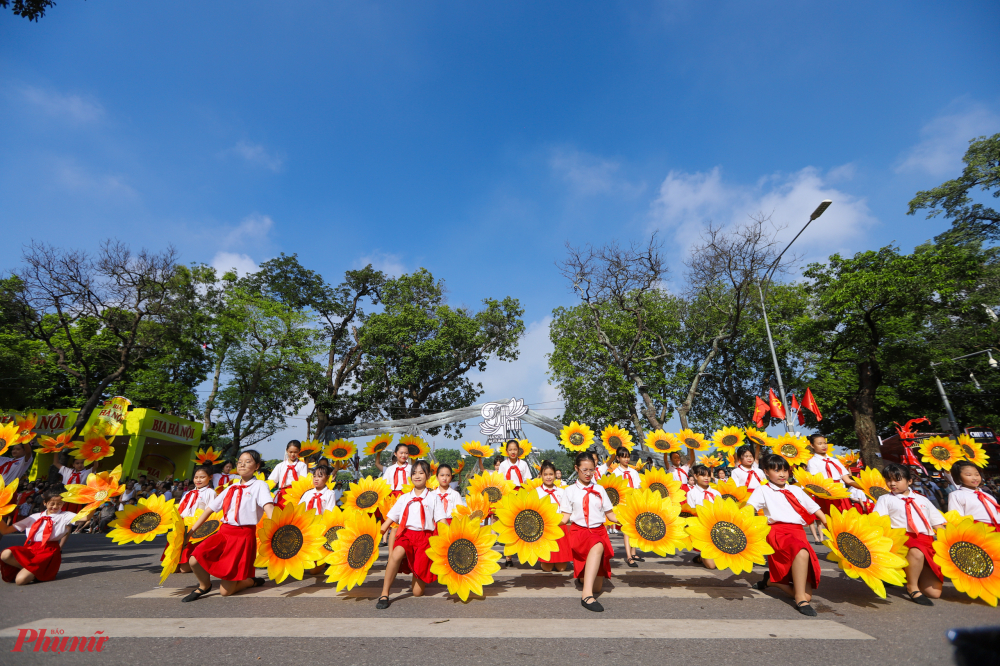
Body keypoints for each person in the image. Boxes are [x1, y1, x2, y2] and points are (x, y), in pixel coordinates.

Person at [182, 450, 274, 601]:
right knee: (194, 559)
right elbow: (209, 510)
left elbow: (268, 507)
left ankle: (250, 582)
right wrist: (191, 532)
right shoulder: (231, 488)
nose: (242, 464)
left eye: (248, 461)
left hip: (243, 536)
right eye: (240, 461)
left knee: (226, 592)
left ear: (257, 466)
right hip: (223, 533)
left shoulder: (259, 485)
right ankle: (204, 586)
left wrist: (277, 529)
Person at [750, 454, 828, 616]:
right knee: (802, 551)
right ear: (766, 472)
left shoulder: (795, 490)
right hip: (777, 532)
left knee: (808, 595)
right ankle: (799, 598)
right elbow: (750, 507)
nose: (782, 474)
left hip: (798, 533)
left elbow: (814, 508)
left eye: (785, 470)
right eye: (776, 470)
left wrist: (832, 526)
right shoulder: (763, 489)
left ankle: (773, 581)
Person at [376, 460, 447, 609]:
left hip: (425, 539)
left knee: (417, 592)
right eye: (414, 473)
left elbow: (442, 521)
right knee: (396, 554)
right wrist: (374, 535)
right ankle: (384, 593)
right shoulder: (404, 498)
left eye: (421, 473)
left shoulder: (434, 497)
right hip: (407, 535)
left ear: (428, 475)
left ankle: (416, 573)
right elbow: (389, 520)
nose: (417, 476)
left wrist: (453, 539)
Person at [873, 463, 946, 606]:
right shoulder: (885, 499)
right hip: (903, 539)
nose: (892, 483)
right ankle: (912, 587)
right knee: (916, 552)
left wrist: (950, 543)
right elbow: (878, 523)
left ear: (909, 481)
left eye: (897, 479)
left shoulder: (922, 499)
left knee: (934, 593)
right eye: (888, 480)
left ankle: (910, 573)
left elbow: (938, 523)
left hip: (927, 540)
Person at [563, 451, 617, 613]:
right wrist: (544, 523)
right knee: (598, 545)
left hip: (599, 531)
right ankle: (586, 596)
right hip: (580, 533)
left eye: (591, 470)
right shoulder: (569, 491)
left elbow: (610, 515)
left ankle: (584, 579)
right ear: (576, 468)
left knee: (598, 587)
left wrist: (629, 520)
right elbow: (565, 518)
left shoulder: (600, 489)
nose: (588, 474)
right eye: (584, 470)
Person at [0, 490, 76, 585]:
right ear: (45, 503)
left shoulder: (65, 515)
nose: (55, 506)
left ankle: (34, 572)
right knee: (5, 554)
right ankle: (33, 571)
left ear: (63, 503)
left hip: (48, 551)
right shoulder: (34, 517)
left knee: (20, 581)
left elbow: (84, 518)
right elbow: (5, 530)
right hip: (31, 549)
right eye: (52, 503)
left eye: (59, 503)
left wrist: (94, 504)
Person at [536, 460, 571, 572]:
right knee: (547, 568)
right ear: (541, 475)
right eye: (545, 474)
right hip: (544, 530)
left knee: (561, 569)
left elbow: (566, 510)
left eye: (551, 474)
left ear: (555, 475)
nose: (548, 477)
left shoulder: (562, 491)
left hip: (560, 527)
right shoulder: (536, 492)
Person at [611, 447, 642, 567]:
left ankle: (634, 552)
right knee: (626, 529)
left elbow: (638, 487)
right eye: (623, 456)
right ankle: (629, 556)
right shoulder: (615, 473)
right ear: (618, 458)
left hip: (634, 502)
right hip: (623, 503)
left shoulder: (634, 472)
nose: (626, 459)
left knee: (635, 527)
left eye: (628, 456)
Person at [948, 460, 1000, 529]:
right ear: (958, 477)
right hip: (976, 529)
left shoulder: (987, 495)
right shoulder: (956, 495)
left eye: (977, 474)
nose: (975, 478)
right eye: (969, 475)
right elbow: (956, 518)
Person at [685, 464, 718, 570]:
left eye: (708, 475)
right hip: (702, 528)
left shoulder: (716, 493)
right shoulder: (691, 493)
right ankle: (701, 557)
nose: (706, 478)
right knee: (712, 566)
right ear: (695, 476)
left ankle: (701, 557)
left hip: (716, 528)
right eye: (703, 475)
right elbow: (692, 513)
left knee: (722, 563)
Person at [268, 440, 307, 508]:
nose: (292, 454)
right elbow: (272, 481)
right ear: (286, 450)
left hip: (296, 494)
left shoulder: (302, 465)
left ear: (299, 451)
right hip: (282, 493)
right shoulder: (280, 466)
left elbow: (303, 482)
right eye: (290, 452)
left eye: (295, 452)